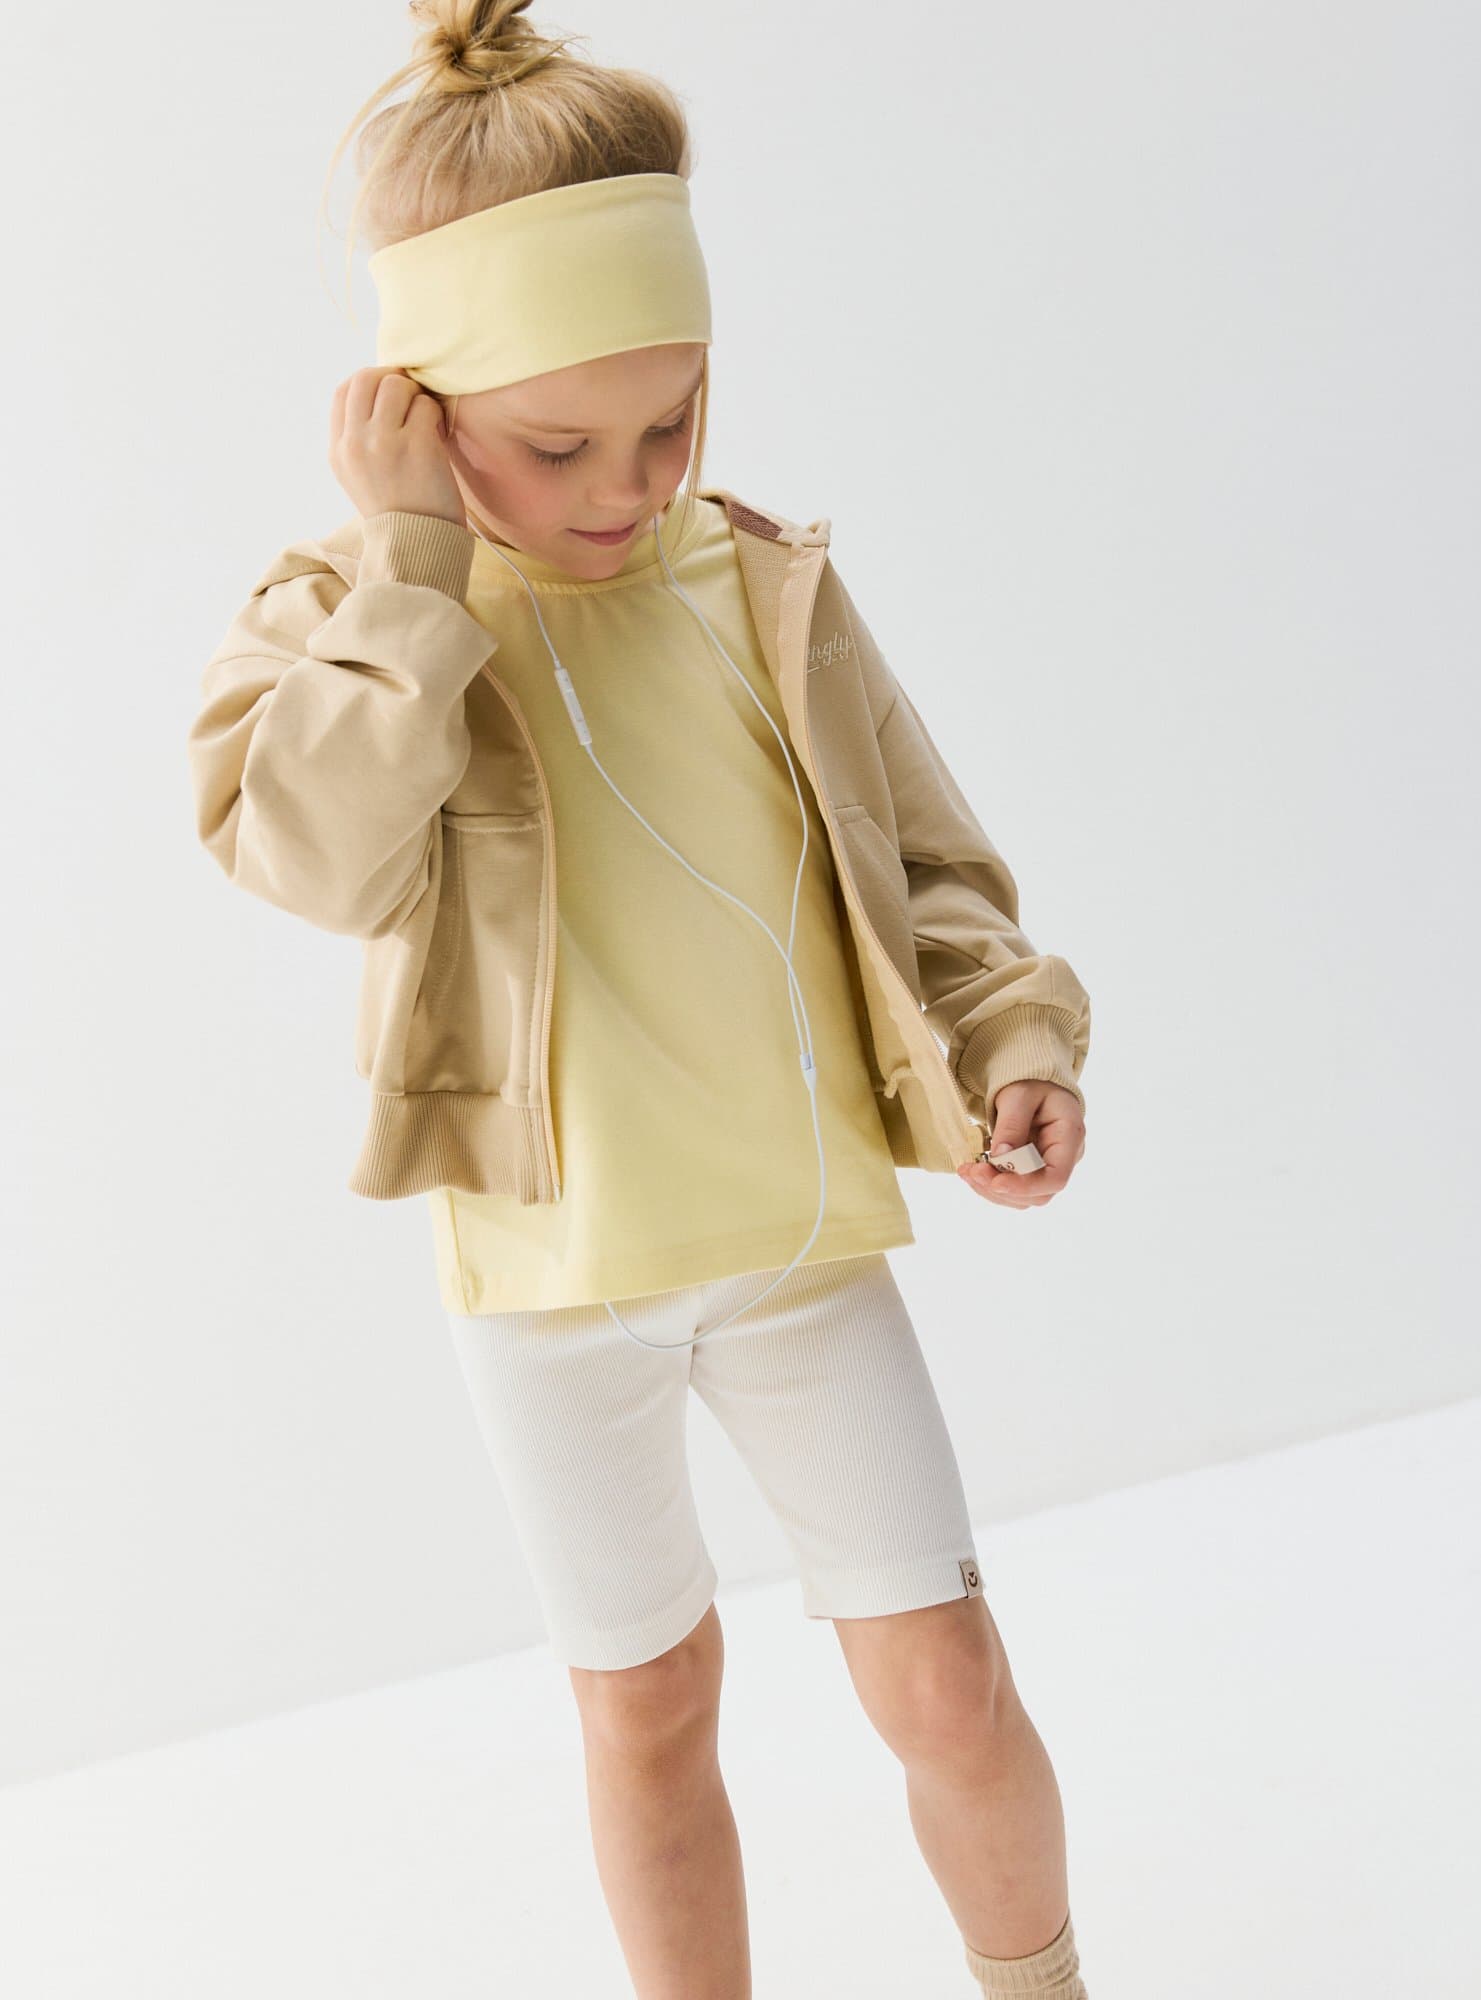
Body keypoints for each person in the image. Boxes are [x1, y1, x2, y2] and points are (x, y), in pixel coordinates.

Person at [186, 4, 1094, 1994]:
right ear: (415, 406)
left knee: (947, 1680)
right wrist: (412, 568)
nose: (632, 483)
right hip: (549, 1283)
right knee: (650, 1707)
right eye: (557, 446)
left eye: (670, 421)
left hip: (797, 1248)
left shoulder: (757, 584)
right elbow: (311, 860)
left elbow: (932, 866)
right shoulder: (350, 623)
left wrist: (1010, 1038)